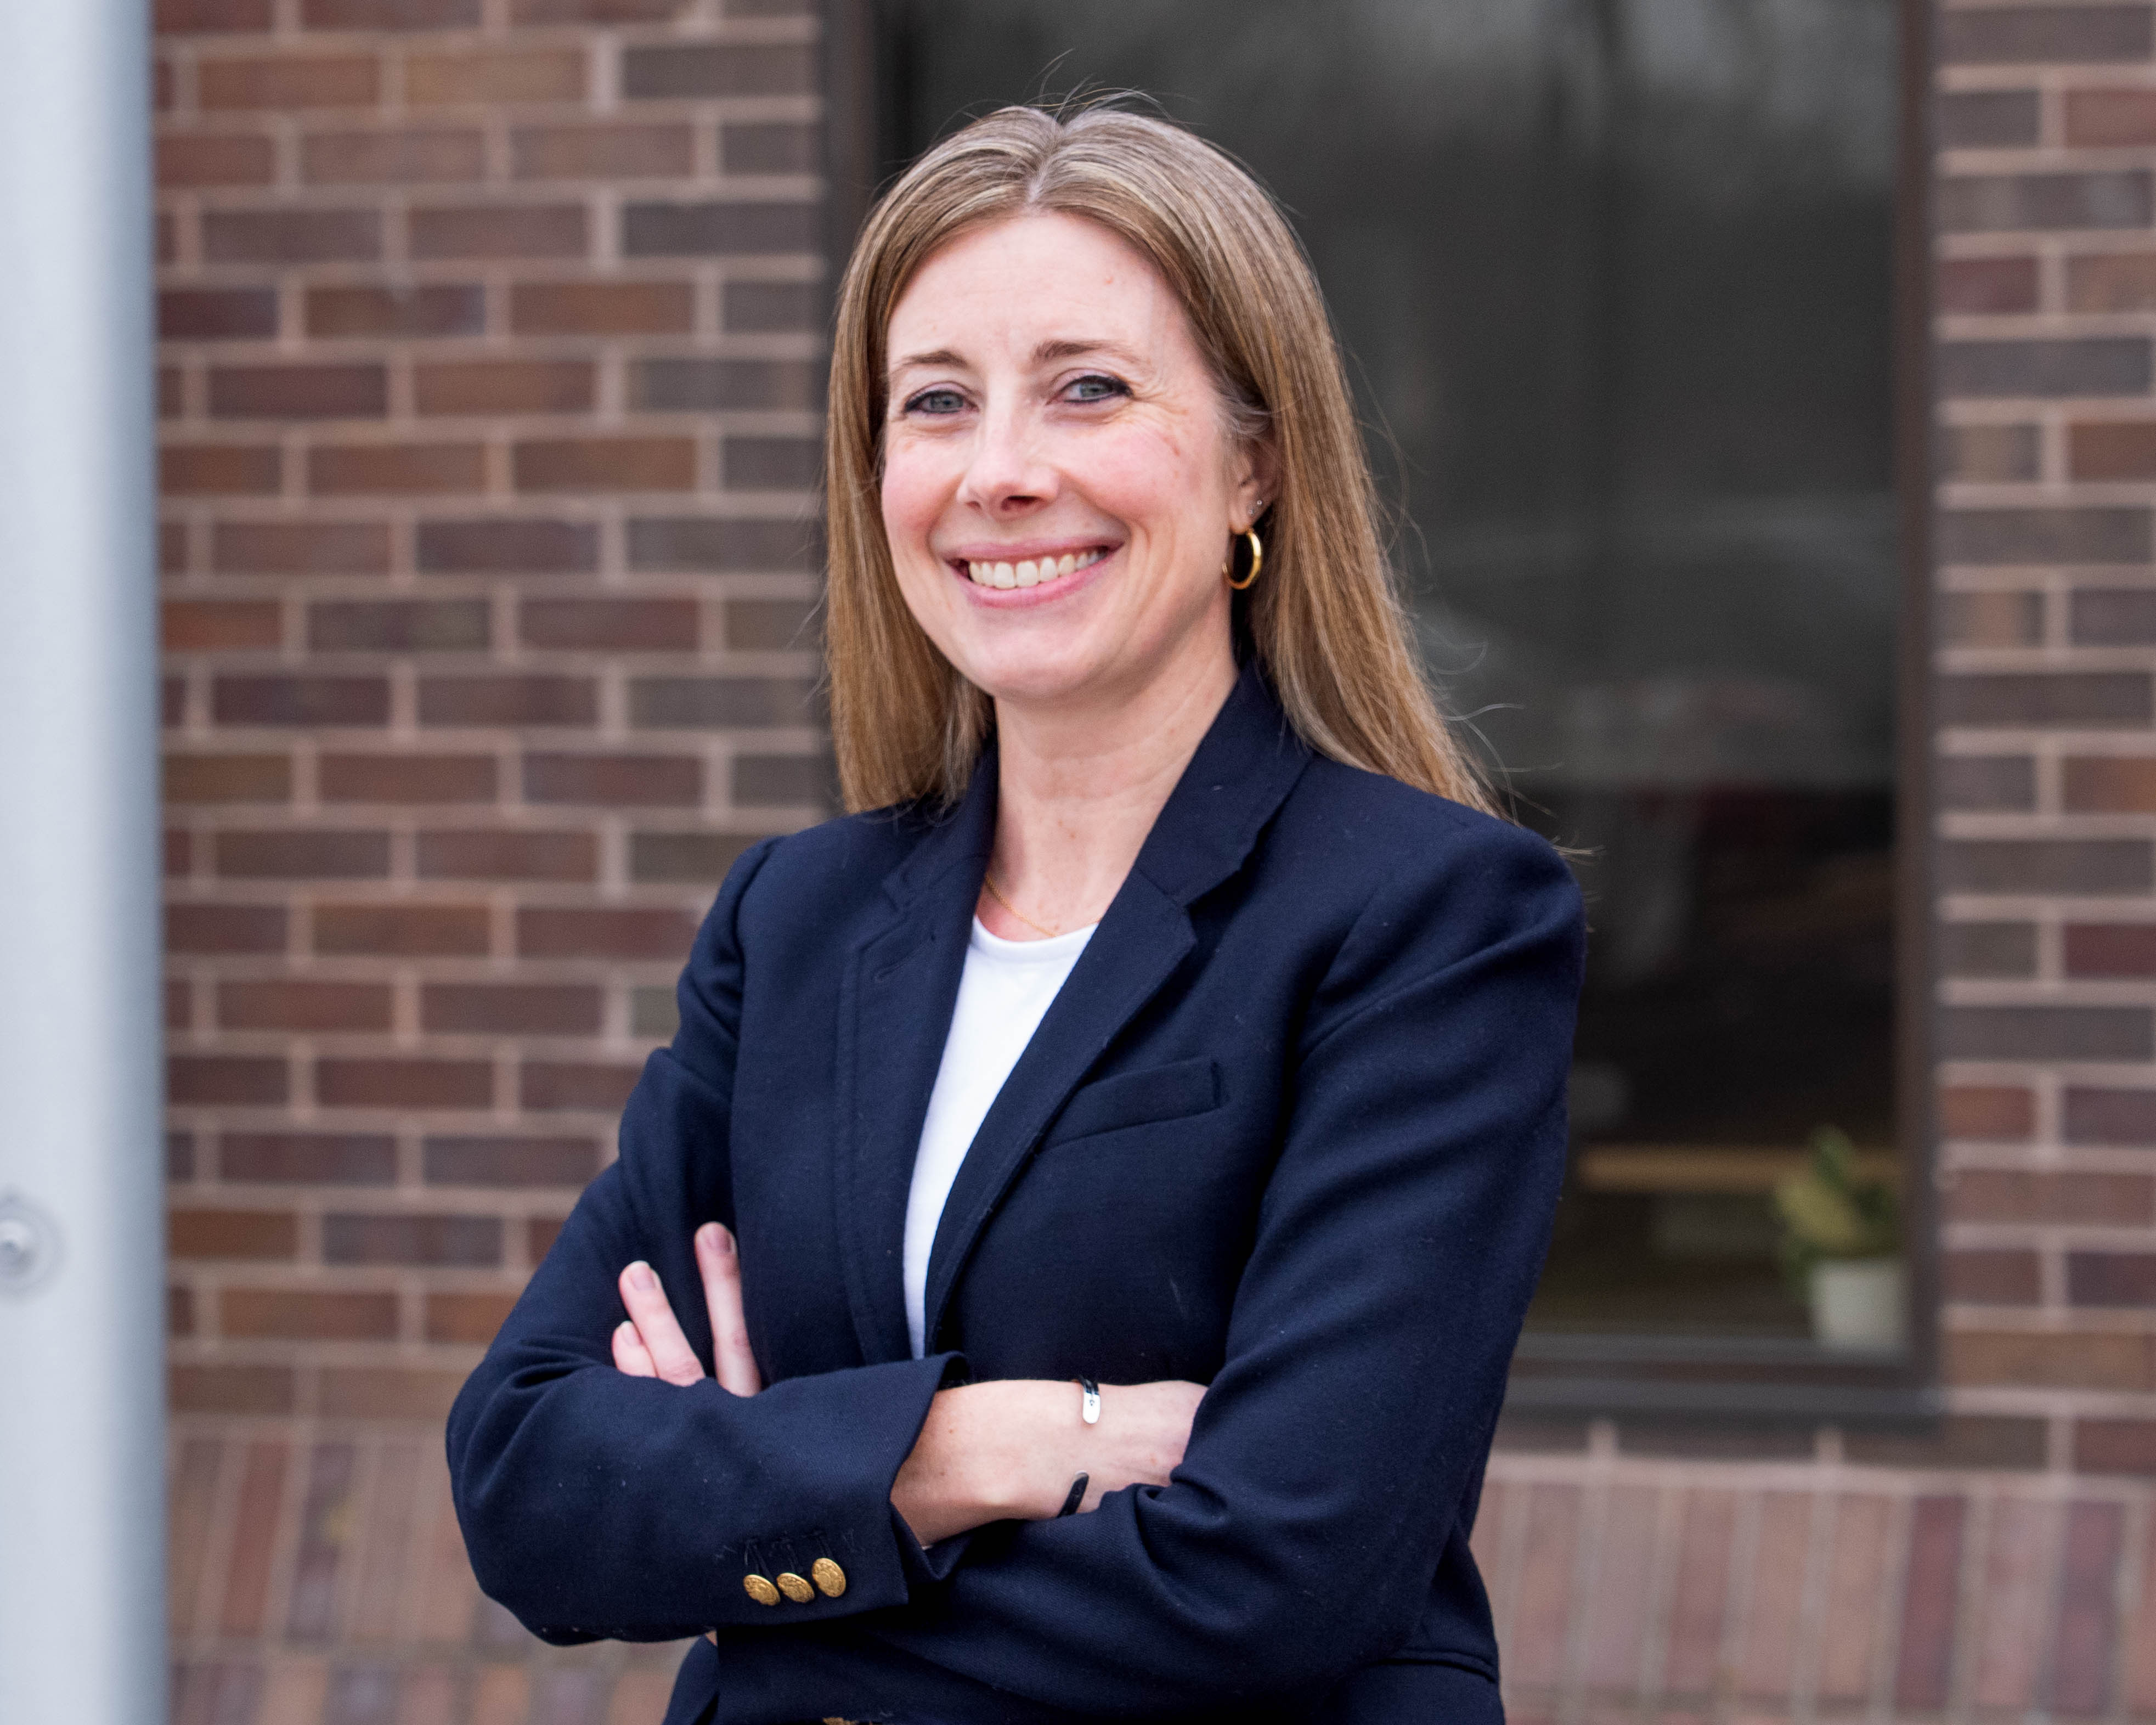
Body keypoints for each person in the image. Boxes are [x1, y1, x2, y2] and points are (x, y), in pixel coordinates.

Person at [448, 102, 1583, 1724]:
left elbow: (1279, 1575)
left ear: (1254, 460)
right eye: (936, 404)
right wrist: (974, 1450)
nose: (1002, 473)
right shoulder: (797, 924)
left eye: (1089, 389)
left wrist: (765, 1534)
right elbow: (523, 1480)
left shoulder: (1429, 921)